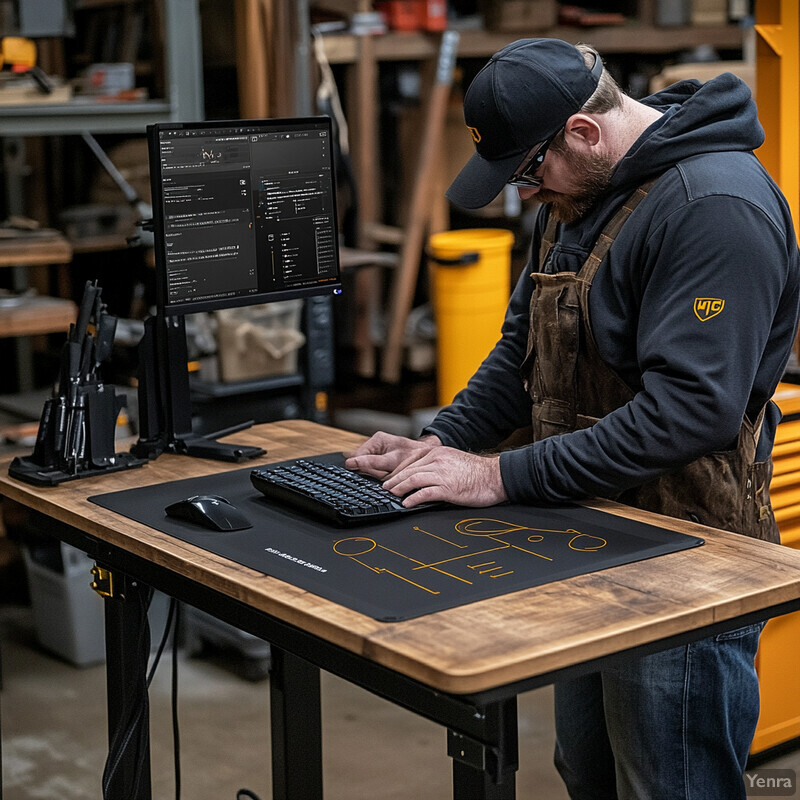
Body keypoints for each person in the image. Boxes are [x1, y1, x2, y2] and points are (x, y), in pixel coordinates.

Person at [345, 37, 800, 800]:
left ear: (584, 133)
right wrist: (441, 441)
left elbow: (690, 413)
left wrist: (498, 475)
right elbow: (524, 346)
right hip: (589, 541)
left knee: (667, 785)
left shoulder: (713, 208)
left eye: (529, 170)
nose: (525, 192)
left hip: (686, 565)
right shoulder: (577, 192)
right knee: (587, 774)